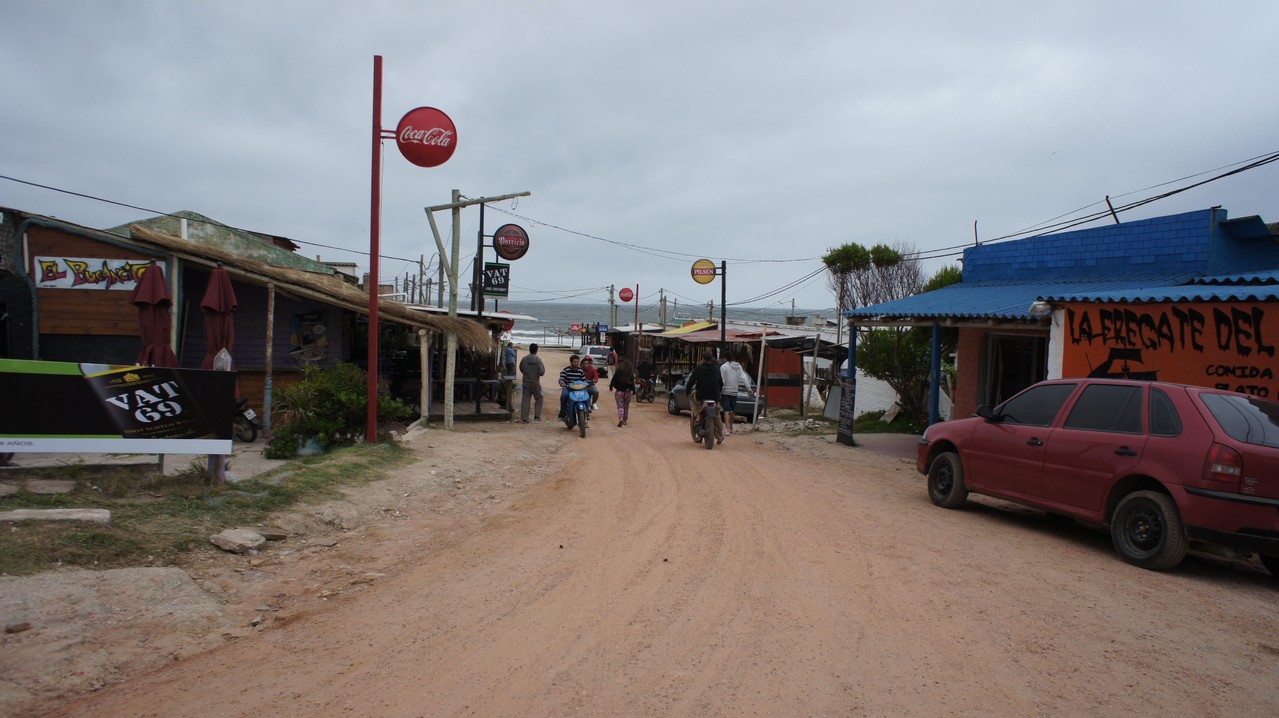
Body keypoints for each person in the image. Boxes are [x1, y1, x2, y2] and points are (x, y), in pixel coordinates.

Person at [683, 349, 724, 444]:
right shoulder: (716, 369)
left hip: (701, 396)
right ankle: (719, 435)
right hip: (714, 397)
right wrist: (718, 393)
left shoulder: (698, 369)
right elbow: (721, 383)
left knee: (692, 397)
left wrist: (687, 391)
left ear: (703, 359)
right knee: (717, 413)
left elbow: (691, 382)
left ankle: (697, 415)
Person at [719, 351, 754, 435]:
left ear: (725, 358)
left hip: (725, 392)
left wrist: (720, 391)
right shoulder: (739, 366)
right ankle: (730, 427)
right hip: (734, 391)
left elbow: (722, 380)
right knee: (732, 411)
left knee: (726, 410)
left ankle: (727, 429)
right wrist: (748, 388)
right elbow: (743, 377)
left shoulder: (723, 367)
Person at [518, 343, 545, 422]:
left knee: (526, 399)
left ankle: (524, 418)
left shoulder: (524, 359)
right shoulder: (538, 360)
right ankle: (537, 416)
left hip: (526, 381)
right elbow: (542, 372)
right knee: (539, 398)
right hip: (535, 382)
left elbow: (521, 368)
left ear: (529, 349)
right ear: (536, 350)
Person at [558, 354, 587, 420]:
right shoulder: (566, 370)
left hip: (579, 389)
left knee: (586, 397)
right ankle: (563, 413)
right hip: (568, 388)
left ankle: (586, 413)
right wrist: (562, 383)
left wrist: (586, 383)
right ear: (571, 362)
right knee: (564, 396)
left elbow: (584, 380)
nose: (576, 363)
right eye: (574, 362)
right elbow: (561, 379)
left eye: (577, 362)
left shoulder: (581, 371)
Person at [609, 357, 636, 427]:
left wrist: (611, 386)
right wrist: (634, 392)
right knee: (626, 406)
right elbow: (633, 384)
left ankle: (620, 418)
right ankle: (624, 420)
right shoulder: (630, 374)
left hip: (619, 392)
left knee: (620, 406)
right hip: (628, 392)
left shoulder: (618, 372)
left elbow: (613, 379)